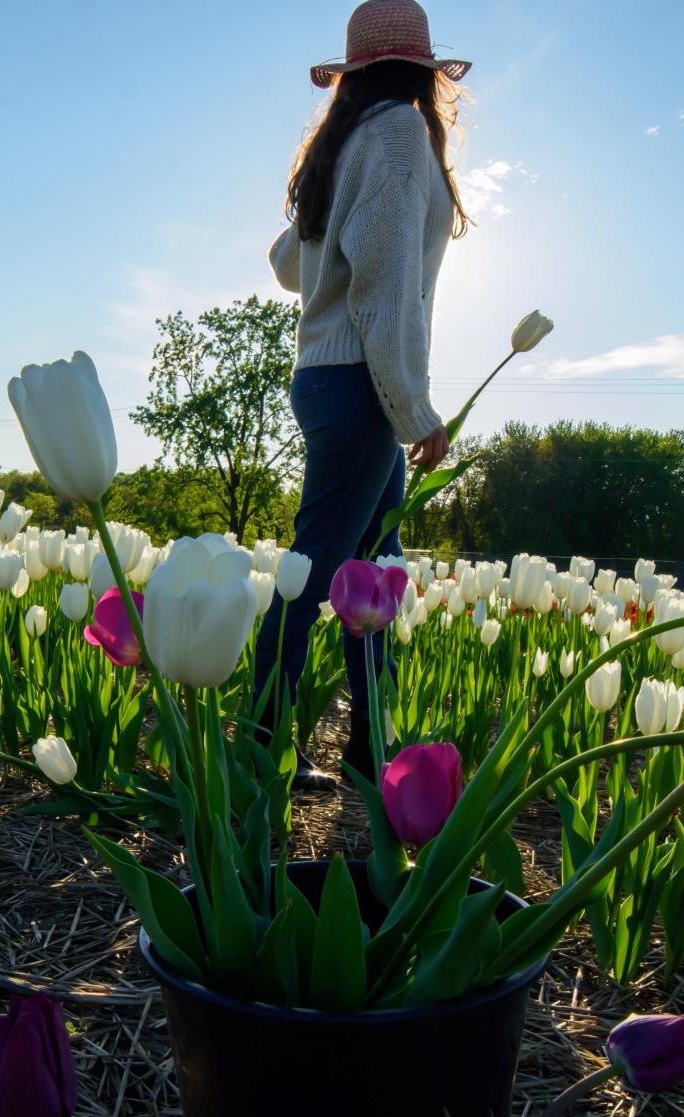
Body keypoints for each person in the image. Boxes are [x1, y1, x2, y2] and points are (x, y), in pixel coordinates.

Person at [251, 0, 472, 784]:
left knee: (372, 570)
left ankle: (367, 749)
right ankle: (261, 745)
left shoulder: (342, 144)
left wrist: (321, 219)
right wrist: (412, 406)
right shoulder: (398, 137)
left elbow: (288, 266)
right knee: (315, 573)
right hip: (360, 384)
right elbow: (381, 286)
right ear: (422, 70)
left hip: (325, 377)